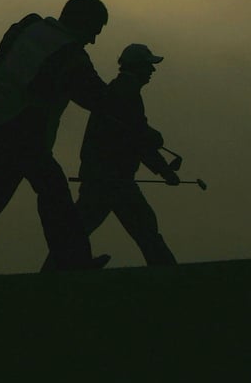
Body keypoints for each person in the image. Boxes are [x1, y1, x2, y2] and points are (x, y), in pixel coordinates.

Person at [0, 0, 113, 276]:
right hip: (21, 132)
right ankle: (74, 263)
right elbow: (97, 98)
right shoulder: (69, 54)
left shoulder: (29, 28)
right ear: (84, 22)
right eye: (95, 30)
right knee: (52, 195)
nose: (94, 39)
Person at [50, 43, 179, 268]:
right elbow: (138, 138)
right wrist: (164, 169)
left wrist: (160, 162)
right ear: (138, 67)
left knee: (78, 232)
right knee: (145, 227)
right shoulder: (126, 92)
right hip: (112, 179)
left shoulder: (120, 90)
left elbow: (135, 136)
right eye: (149, 66)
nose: (152, 71)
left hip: (102, 176)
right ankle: (169, 273)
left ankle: (52, 272)